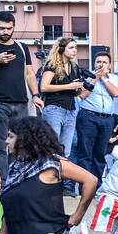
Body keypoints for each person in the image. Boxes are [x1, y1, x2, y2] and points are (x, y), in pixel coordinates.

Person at [0, 12, 42, 176]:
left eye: (9, 28)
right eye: (2, 28)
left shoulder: (22, 47)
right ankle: (0, 184)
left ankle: (16, 179)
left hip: (20, 103)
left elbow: (30, 74)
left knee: (20, 145)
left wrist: (36, 95)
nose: (6, 32)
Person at [38, 37, 86, 177]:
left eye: (75, 47)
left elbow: (76, 92)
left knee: (66, 150)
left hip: (71, 109)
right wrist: (69, 86)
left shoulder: (74, 67)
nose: (75, 50)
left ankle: (60, 180)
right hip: (55, 108)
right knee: (52, 146)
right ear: (61, 49)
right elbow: (44, 87)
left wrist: (78, 87)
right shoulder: (52, 65)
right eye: (71, 47)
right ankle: (46, 177)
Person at [71, 50, 118, 181]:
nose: (101, 64)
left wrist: (104, 78)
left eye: (104, 62)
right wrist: (96, 78)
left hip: (107, 119)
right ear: (94, 63)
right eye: (98, 62)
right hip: (88, 117)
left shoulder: (114, 78)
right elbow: (82, 95)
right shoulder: (87, 76)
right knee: (85, 153)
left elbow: (116, 93)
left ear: (109, 66)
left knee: (100, 154)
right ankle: (85, 186)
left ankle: (97, 185)